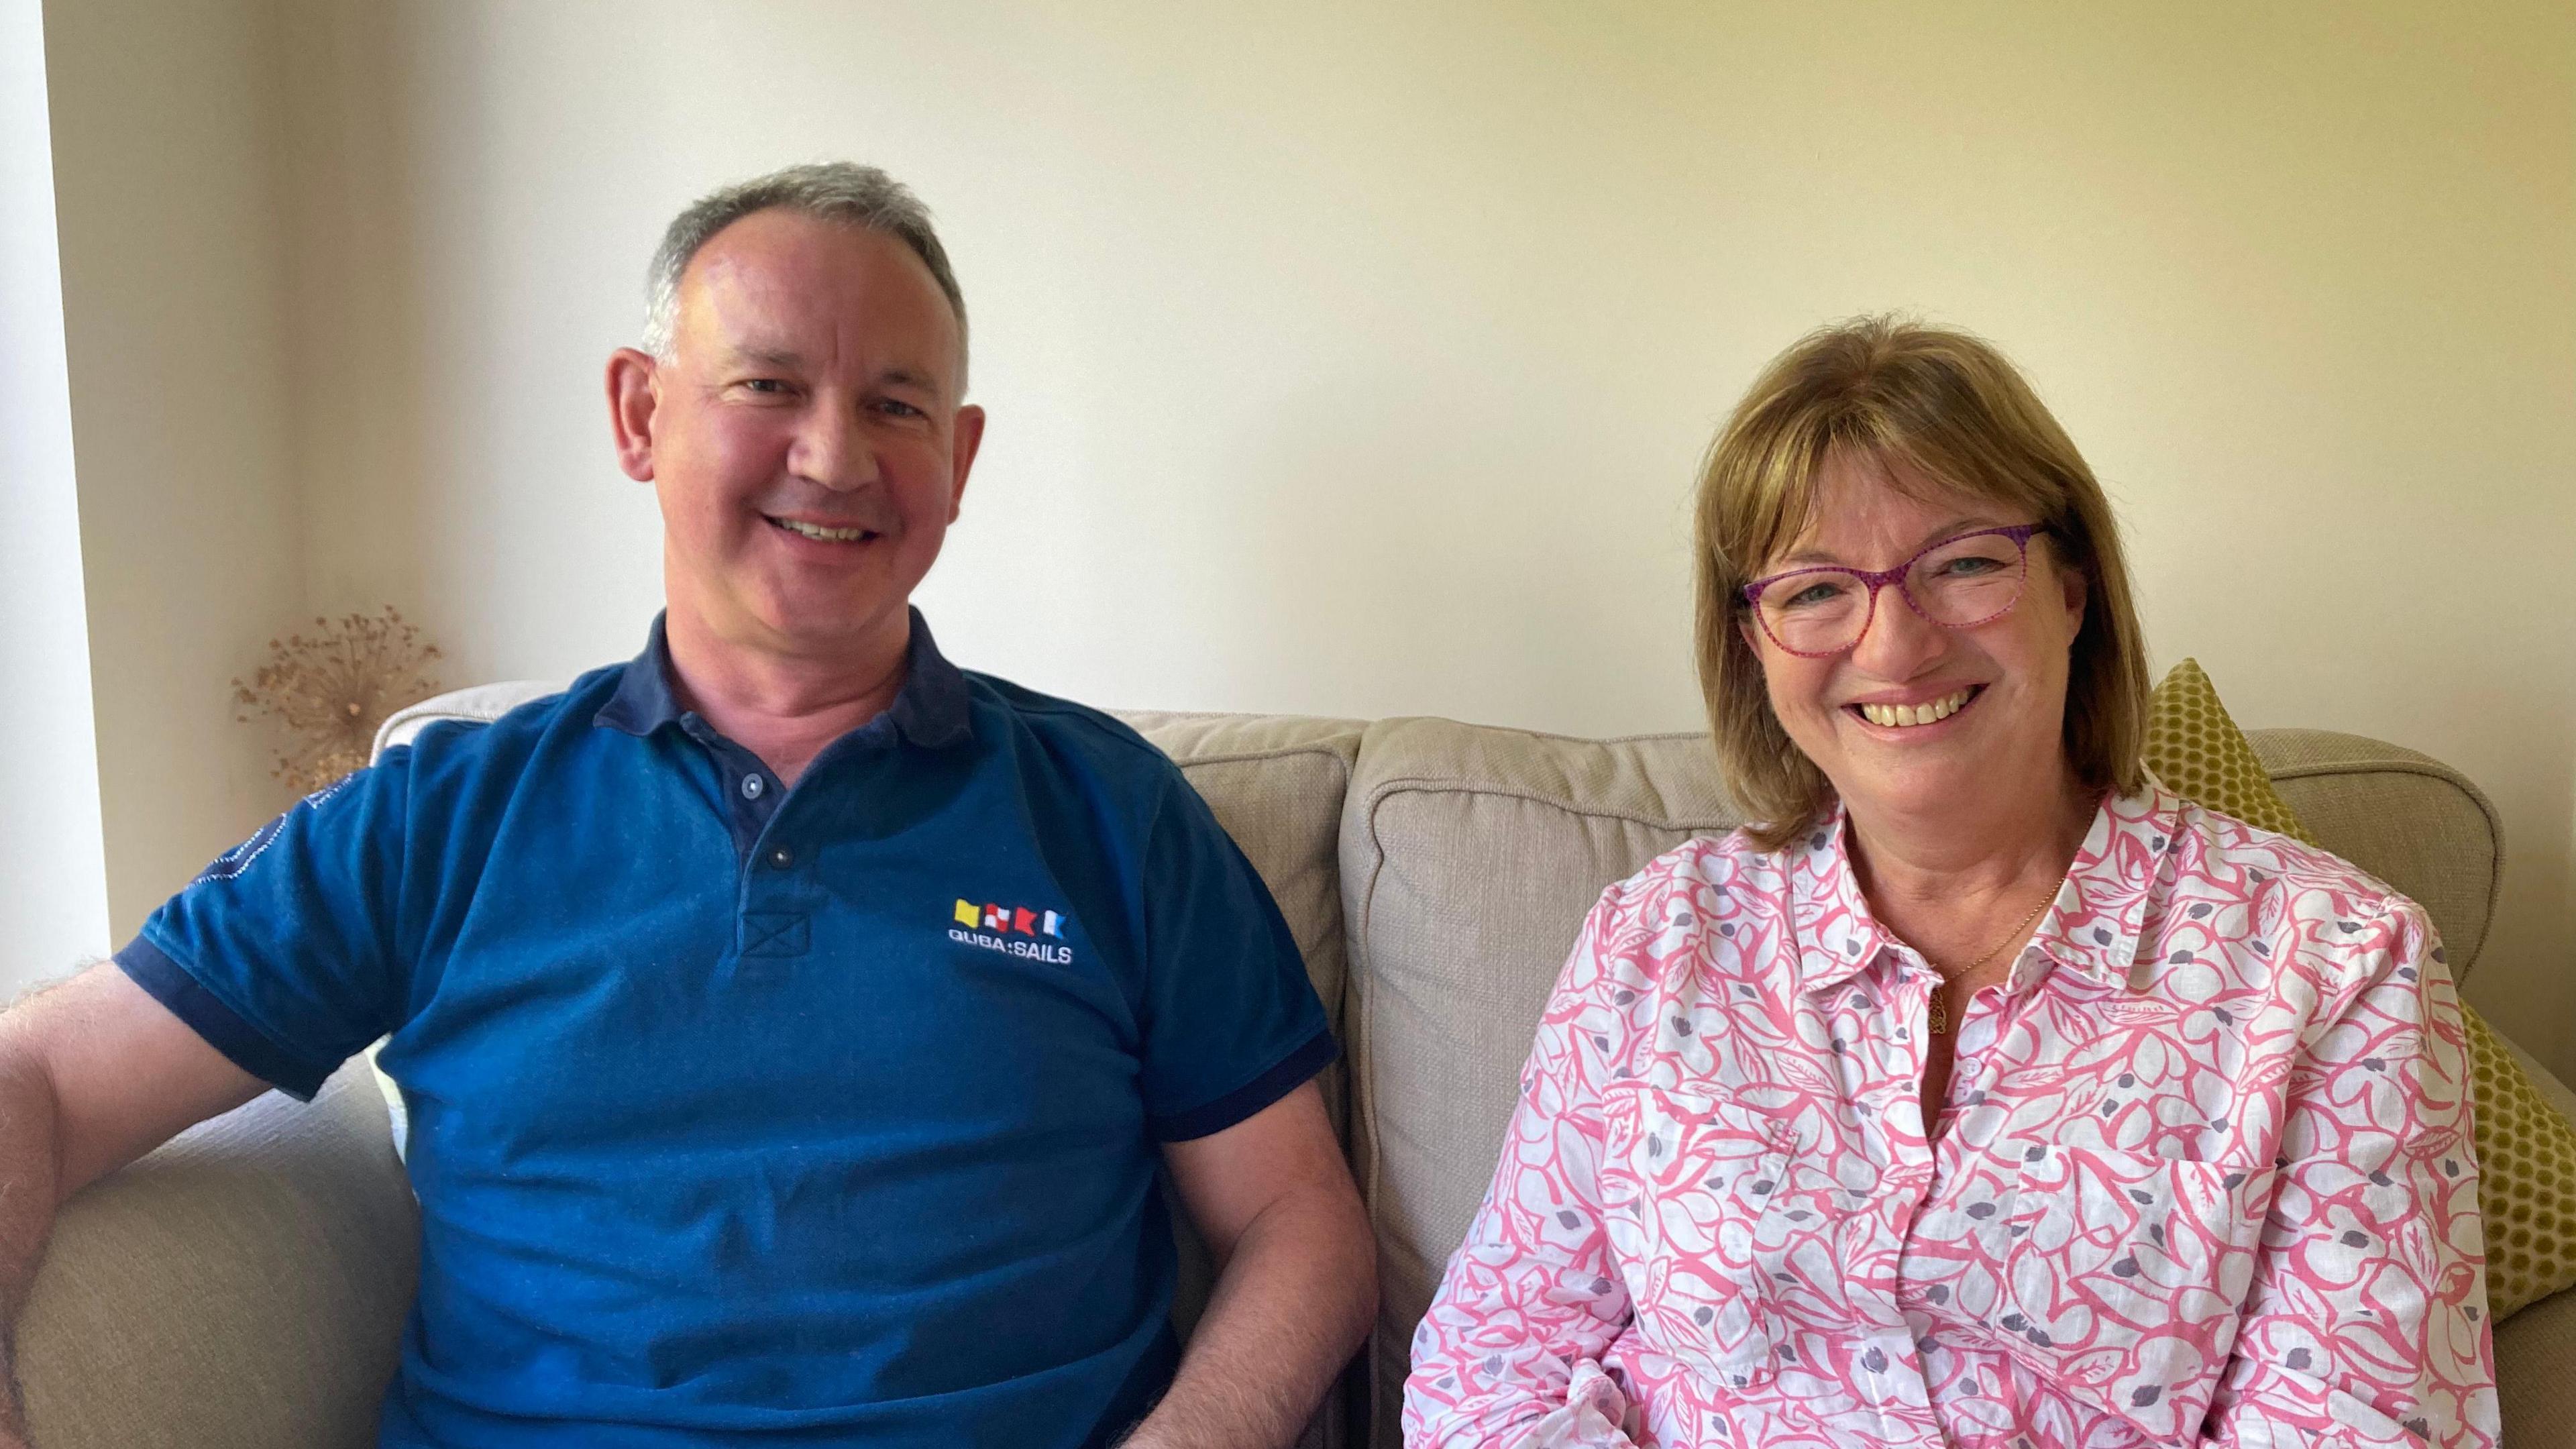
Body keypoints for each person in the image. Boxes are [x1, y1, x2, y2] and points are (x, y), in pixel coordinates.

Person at [0, 163, 1374, 1449]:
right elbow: (43, 1074)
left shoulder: (1108, 811)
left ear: (957, 458)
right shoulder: (438, 816)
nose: (834, 457)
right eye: (770, 383)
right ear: (640, 414)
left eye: (896, 406)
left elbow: (1300, 1221)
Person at [1403, 317, 2495, 1447]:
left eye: (1965, 563)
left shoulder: (2336, 967)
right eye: (1815, 589)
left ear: (2074, 586)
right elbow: (1488, 1361)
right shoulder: (1655, 938)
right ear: (1752, 642)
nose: (1892, 648)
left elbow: (2360, 1429)